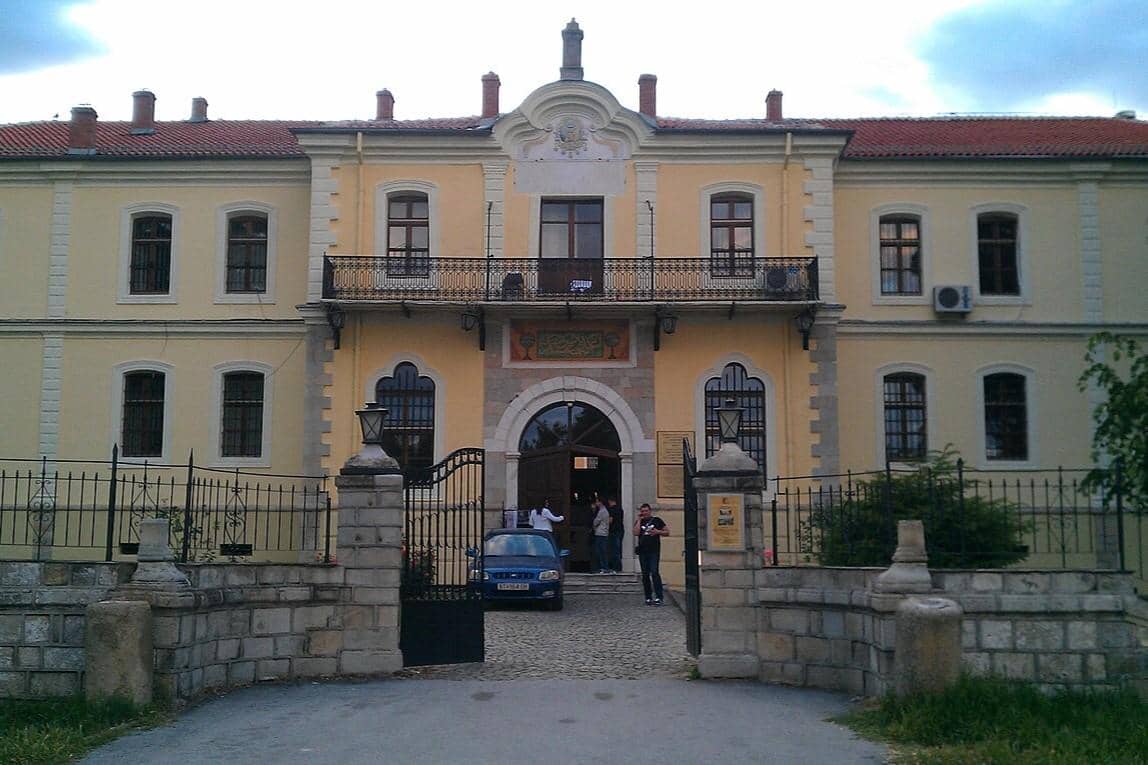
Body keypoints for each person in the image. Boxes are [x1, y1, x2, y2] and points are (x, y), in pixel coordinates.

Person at [633, 502, 668, 605]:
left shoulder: (657, 520)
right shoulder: (640, 521)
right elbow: (635, 533)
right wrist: (639, 520)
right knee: (645, 574)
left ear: (650, 511)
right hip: (643, 551)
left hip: (654, 551)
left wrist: (658, 532)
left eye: (646, 511)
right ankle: (648, 597)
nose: (644, 513)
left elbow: (667, 532)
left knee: (654, 572)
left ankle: (659, 597)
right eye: (642, 511)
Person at [591, 496, 611, 574]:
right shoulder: (603, 511)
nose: (596, 503)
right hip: (603, 532)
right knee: (601, 550)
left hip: (601, 533)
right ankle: (603, 566)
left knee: (601, 550)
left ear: (600, 502)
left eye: (597, 502)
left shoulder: (602, 511)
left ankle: (604, 567)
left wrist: (593, 511)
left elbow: (596, 521)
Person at [606, 497, 624, 573]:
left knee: (614, 550)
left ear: (610, 501)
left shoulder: (612, 509)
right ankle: (618, 567)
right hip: (620, 530)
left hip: (614, 531)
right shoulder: (620, 509)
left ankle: (616, 568)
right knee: (617, 549)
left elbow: (610, 521)